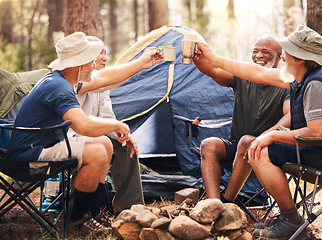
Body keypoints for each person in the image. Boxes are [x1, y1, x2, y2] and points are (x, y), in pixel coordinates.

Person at [195, 25, 322, 239]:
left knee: (260, 150)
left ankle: (291, 221)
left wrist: (272, 134)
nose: (282, 56)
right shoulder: (303, 76)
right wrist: (214, 59)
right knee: (259, 146)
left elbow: (315, 133)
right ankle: (283, 217)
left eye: (287, 51)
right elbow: (258, 73)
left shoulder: (316, 84)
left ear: (300, 58)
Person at [6, 32, 163, 235]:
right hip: (29, 155)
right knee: (96, 152)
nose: (93, 66)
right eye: (90, 61)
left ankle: (93, 212)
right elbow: (82, 125)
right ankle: (78, 220)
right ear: (77, 64)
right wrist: (117, 125)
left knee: (105, 144)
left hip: (44, 142)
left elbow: (105, 77)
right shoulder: (58, 87)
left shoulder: (63, 80)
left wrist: (141, 64)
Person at [193, 36, 290, 205]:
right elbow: (212, 71)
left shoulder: (285, 83)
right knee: (209, 145)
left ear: (279, 56)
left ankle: (228, 202)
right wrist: (197, 58)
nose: (259, 55)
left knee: (247, 141)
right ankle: (213, 205)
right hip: (237, 146)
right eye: (255, 51)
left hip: (267, 152)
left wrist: (265, 136)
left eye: (265, 52)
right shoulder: (243, 77)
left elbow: (289, 116)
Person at [70, 35, 144, 216]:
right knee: (102, 141)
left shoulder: (103, 84)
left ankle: (131, 209)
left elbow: (105, 115)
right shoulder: (74, 80)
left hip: (94, 133)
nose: (104, 57)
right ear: (86, 56)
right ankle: (85, 212)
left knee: (125, 146)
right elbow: (99, 83)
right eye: (99, 53)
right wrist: (140, 64)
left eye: (105, 53)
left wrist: (124, 135)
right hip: (72, 136)